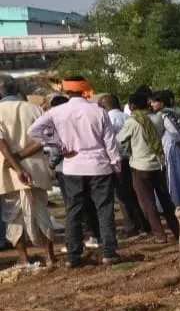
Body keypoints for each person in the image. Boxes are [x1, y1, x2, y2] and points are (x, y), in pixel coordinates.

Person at [30, 77, 122, 267]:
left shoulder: (57, 111)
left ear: (66, 90)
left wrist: (58, 145)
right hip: (99, 165)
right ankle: (109, 252)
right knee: (104, 210)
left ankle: (73, 256)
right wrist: (116, 165)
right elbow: (110, 142)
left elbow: (34, 131)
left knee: (74, 211)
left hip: (72, 166)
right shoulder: (98, 111)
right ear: (85, 89)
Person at [0, 74, 57, 268]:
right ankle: (49, 255)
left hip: (8, 171)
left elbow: (1, 143)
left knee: (13, 215)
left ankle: (23, 258)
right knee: (41, 211)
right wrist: (23, 155)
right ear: (17, 89)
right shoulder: (35, 109)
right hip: (36, 168)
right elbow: (45, 138)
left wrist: (16, 165)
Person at [117, 91, 179, 241]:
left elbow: (119, 139)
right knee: (165, 199)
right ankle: (177, 230)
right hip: (158, 163)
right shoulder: (157, 118)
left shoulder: (132, 122)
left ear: (132, 106)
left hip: (140, 166)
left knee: (147, 202)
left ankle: (159, 234)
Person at [99, 93, 150, 237]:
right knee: (134, 193)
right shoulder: (127, 117)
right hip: (132, 158)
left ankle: (131, 226)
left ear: (104, 107)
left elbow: (111, 142)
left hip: (119, 160)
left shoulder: (108, 119)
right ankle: (144, 223)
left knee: (123, 196)